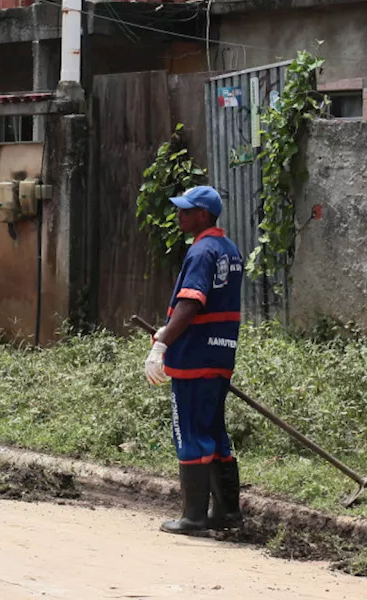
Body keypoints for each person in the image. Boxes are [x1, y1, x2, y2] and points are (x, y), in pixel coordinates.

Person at [144, 185, 244, 535]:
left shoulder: (202, 252)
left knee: (189, 432)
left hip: (195, 355)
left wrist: (162, 344)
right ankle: (227, 513)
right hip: (220, 353)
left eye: (186, 210)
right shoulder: (229, 249)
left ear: (203, 214)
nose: (179, 215)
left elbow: (191, 303)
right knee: (214, 432)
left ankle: (194, 517)